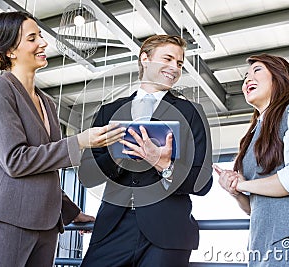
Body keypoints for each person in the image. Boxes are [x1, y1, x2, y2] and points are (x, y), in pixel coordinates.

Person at [0, 11, 126, 267]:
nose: (43, 43)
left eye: (41, 36)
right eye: (33, 38)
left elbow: (45, 168)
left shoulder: (47, 103)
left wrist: (72, 213)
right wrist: (79, 142)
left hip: (47, 226)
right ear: (10, 50)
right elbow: (15, 161)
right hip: (5, 220)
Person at [78, 34, 213, 267]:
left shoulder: (193, 113)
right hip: (112, 229)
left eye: (179, 64)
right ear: (145, 59)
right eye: (168, 59)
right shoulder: (109, 112)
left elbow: (203, 183)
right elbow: (87, 175)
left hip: (167, 234)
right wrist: (117, 158)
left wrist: (162, 164)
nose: (175, 68)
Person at [213, 54, 289, 266]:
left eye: (257, 70)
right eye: (245, 77)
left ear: (279, 77)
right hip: (262, 249)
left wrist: (242, 183)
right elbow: (255, 206)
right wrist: (235, 191)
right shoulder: (252, 136)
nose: (248, 79)